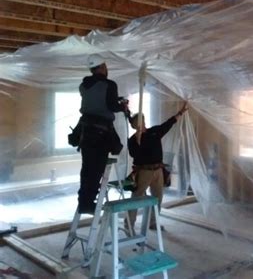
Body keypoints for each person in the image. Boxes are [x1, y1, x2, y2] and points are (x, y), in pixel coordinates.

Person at [76, 54, 129, 214]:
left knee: (87, 168)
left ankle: (84, 200)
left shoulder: (83, 85)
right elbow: (111, 106)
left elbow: (96, 102)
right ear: (101, 67)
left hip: (85, 132)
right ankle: (88, 203)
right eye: (105, 66)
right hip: (100, 133)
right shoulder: (109, 84)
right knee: (97, 169)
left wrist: (114, 101)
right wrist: (123, 106)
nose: (107, 69)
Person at [126, 102, 188, 232]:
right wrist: (138, 141)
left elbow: (168, 124)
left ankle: (153, 223)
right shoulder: (132, 140)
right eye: (136, 123)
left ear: (143, 122)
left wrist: (181, 112)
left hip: (158, 170)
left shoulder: (154, 132)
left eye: (141, 122)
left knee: (157, 198)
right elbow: (134, 154)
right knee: (137, 197)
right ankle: (129, 224)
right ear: (133, 125)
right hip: (143, 171)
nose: (139, 124)